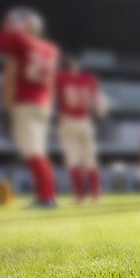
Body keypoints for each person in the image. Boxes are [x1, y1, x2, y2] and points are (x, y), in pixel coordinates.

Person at [0, 6, 60, 208]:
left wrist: (5, 105)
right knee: (38, 151)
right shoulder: (50, 49)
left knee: (33, 152)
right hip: (43, 103)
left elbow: (10, 75)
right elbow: (50, 83)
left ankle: (46, 197)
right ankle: (46, 194)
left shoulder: (20, 43)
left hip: (24, 101)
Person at [55, 57, 106, 204]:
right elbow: (100, 103)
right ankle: (96, 195)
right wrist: (100, 115)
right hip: (85, 122)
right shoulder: (88, 78)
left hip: (68, 121)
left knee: (73, 161)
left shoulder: (61, 77)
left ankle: (80, 196)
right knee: (90, 160)